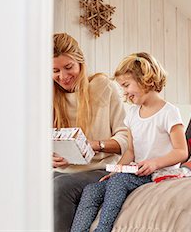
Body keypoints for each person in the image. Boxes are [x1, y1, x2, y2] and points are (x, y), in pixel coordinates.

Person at [70, 52, 188, 232]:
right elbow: (131, 151)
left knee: (119, 182)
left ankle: (103, 229)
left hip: (160, 173)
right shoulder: (132, 114)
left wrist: (154, 163)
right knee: (92, 190)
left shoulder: (169, 112)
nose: (124, 92)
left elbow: (181, 151)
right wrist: (117, 169)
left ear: (145, 79)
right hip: (137, 171)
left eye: (126, 85)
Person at [52, 33, 129, 232]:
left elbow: (125, 139)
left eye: (69, 67)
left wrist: (94, 145)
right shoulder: (47, 96)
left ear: (80, 62)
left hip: (100, 169)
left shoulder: (104, 87)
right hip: (61, 170)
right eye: (55, 70)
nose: (63, 76)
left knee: (59, 187)